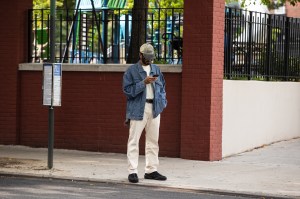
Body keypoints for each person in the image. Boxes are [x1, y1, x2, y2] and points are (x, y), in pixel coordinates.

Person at [122, 43, 167, 183]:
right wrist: (143, 82)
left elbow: (163, 88)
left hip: (154, 108)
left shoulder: (156, 69)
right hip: (138, 109)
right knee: (134, 141)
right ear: (140, 55)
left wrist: (163, 103)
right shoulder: (132, 71)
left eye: (151, 58)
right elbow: (127, 91)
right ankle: (132, 171)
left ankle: (151, 170)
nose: (149, 60)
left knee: (153, 141)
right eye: (147, 58)